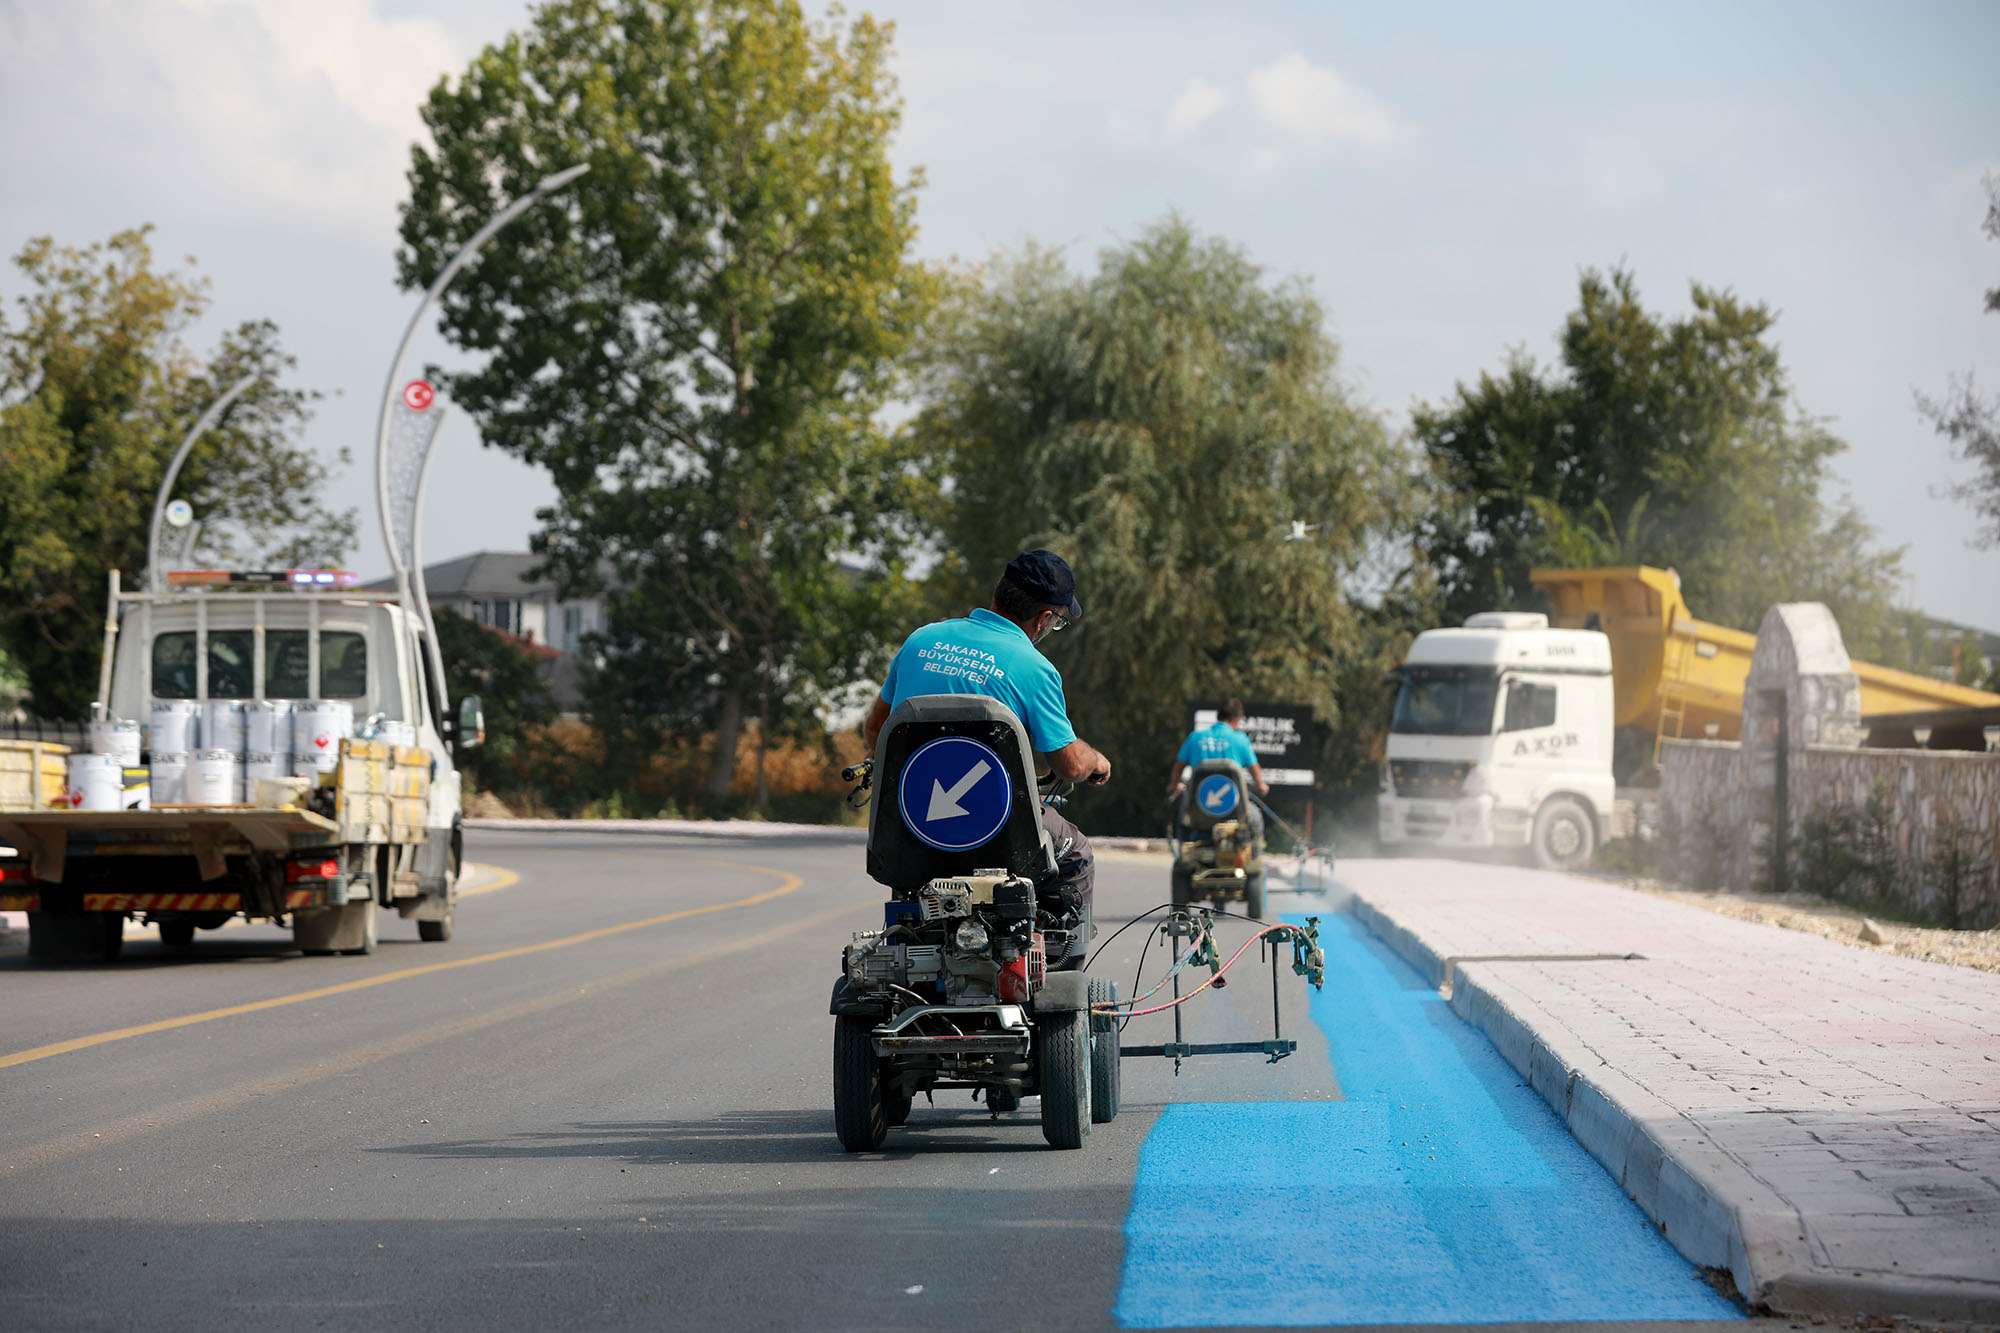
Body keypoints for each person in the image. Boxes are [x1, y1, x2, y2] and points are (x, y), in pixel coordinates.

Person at [863, 550, 1111, 949]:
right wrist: (1096, 761)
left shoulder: (920, 641)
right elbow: (1069, 764)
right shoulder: (1033, 667)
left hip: (911, 824)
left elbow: (876, 726)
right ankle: (1062, 966)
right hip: (998, 832)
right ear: (1045, 618)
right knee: (1076, 853)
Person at [1166, 698, 1267, 838]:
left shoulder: (1195, 737)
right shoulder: (1240, 739)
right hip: (1234, 810)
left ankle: (1185, 852)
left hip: (1197, 808)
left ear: (1218, 716)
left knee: (1183, 818)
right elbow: (1255, 769)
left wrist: (1174, 785)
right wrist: (1261, 786)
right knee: (1254, 818)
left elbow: (1178, 767)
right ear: (1238, 719)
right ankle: (1254, 856)